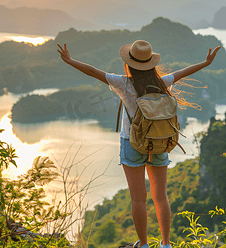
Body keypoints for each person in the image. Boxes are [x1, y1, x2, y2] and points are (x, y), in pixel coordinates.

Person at [57, 40, 221, 248]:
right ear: (151, 63)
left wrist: (69, 60)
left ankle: (143, 244)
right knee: (161, 197)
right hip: (161, 143)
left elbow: (92, 71)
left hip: (132, 144)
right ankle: (166, 243)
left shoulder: (123, 83)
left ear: (129, 63)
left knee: (138, 200)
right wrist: (206, 63)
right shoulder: (163, 82)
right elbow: (184, 72)